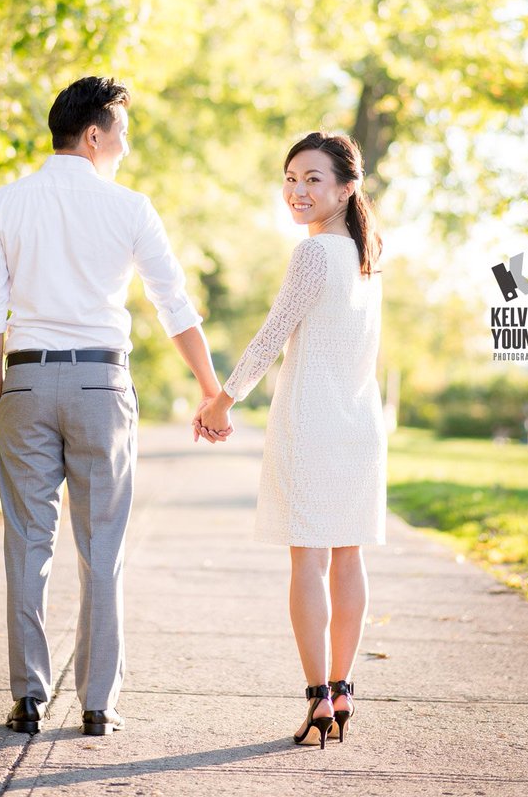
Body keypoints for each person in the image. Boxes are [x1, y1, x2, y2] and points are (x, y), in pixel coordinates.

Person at [0, 76, 222, 737]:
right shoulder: (131, 208)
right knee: (101, 547)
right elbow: (174, 306)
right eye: (122, 134)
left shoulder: (3, 203)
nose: (126, 147)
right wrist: (209, 388)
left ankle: (28, 698)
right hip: (101, 387)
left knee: (27, 543)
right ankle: (97, 704)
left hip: (26, 382)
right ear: (93, 135)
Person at [194, 130, 385, 749]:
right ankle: (344, 689)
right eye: (291, 179)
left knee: (309, 559)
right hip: (361, 424)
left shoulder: (314, 254)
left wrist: (222, 400)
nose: (297, 191)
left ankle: (318, 698)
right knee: (349, 555)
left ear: (347, 188)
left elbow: (273, 335)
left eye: (313, 179)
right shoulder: (368, 257)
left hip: (312, 424)